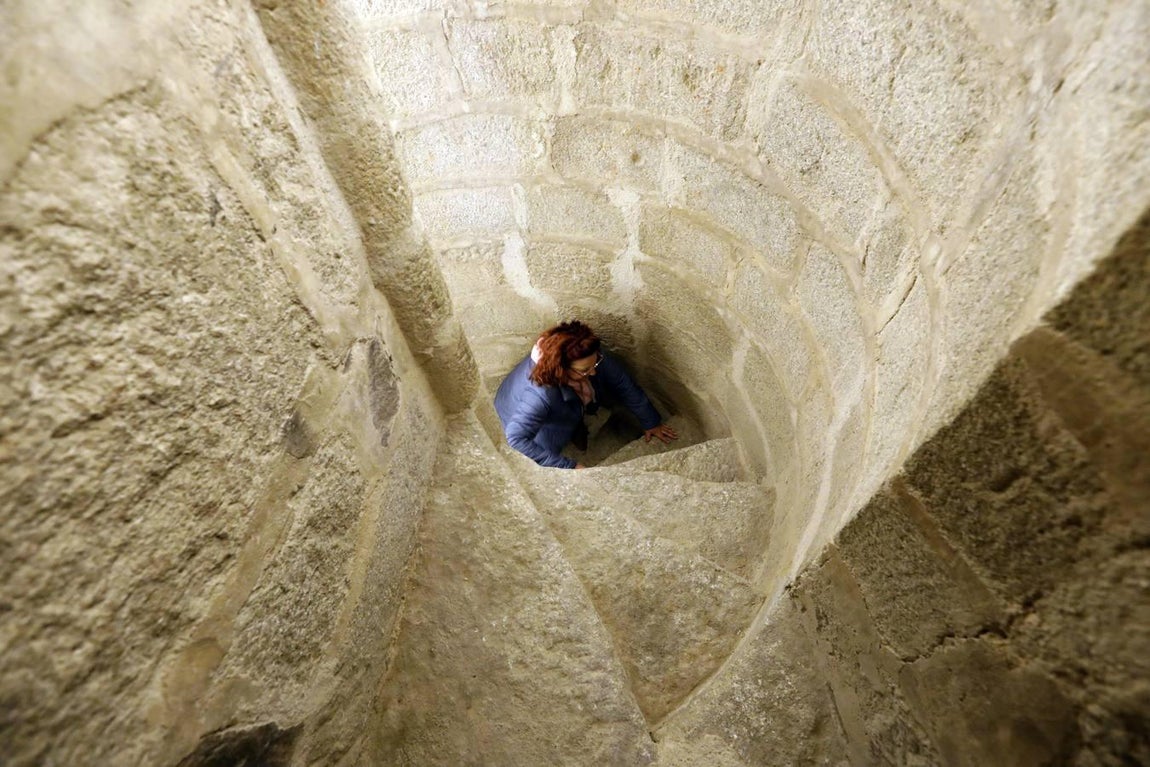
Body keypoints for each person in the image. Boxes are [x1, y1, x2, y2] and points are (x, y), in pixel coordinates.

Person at [494, 320, 678, 469]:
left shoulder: (588, 355)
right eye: (585, 370)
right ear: (560, 370)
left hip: (557, 403)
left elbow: (623, 383)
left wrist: (651, 421)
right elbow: (516, 438)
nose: (593, 373)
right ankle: (572, 432)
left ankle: (577, 429)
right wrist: (569, 465)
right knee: (546, 448)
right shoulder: (540, 396)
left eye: (595, 364)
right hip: (522, 416)